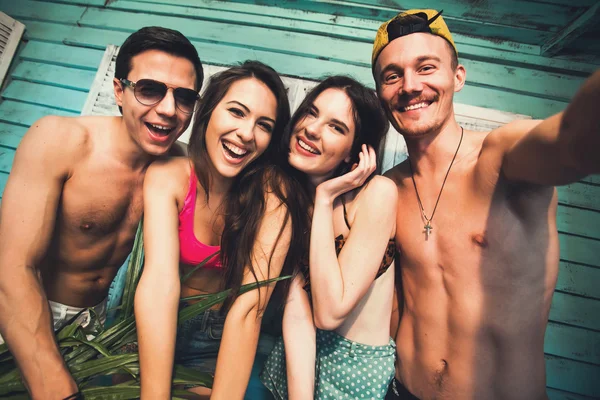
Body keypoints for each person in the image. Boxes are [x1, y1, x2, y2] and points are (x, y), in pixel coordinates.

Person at [371, 9, 600, 400]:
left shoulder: (501, 158)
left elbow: (573, 142)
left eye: (426, 67)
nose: (409, 86)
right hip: (401, 391)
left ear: (458, 77)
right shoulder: (387, 189)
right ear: (380, 93)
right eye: (392, 75)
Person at [0, 26, 203, 399]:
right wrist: (53, 385)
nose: (169, 109)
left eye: (185, 97)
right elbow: (12, 268)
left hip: (96, 327)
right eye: (149, 89)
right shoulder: (60, 139)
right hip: (21, 310)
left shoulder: (181, 165)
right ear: (119, 91)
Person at [135, 60, 307, 400]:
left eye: (264, 125)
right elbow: (158, 284)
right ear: (209, 111)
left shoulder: (274, 192)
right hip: (152, 327)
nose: (246, 133)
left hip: (216, 336)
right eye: (237, 112)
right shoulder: (170, 174)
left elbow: (249, 308)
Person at [260, 76, 397, 399]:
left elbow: (329, 312)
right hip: (296, 363)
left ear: (356, 152)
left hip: (357, 372)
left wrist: (324, 198)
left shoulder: (377, 194)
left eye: (336, 127)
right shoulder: (287, 197)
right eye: (311, 112)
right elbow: (298, 312)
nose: (311, 129)